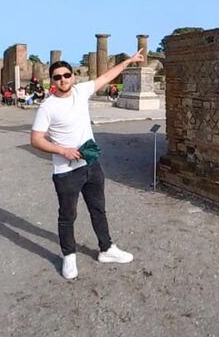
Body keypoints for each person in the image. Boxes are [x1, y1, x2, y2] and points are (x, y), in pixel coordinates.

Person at [30, 48, 144, 280]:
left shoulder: (81, 91)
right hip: (65, 171)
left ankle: (106, 248)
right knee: (67, 215)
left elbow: (106, 76)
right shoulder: (47, 107)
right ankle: (69, 256)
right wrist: (62, 150)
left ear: (72, 76)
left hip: (91, 164)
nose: (63, 80)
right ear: (52, 81)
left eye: (66, 75)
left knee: (98, 209)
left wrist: (130, 61)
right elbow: (36, 139)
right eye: (57, 77)